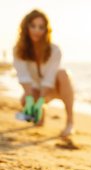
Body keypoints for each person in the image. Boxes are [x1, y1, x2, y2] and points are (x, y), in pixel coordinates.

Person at [13, 9, 74, 137]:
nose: (36, 30)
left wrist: (41, 101)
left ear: (46, 30)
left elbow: (50, 78)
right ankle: (40, 114)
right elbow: (23, 76)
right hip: (36, 89)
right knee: (24, 101)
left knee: (63, 74)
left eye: (41, 27)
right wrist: (30, 99)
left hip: (54, 88)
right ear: (26, 27)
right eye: (33, 26)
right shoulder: (18, 50)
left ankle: (70, 122)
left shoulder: (55, 50)